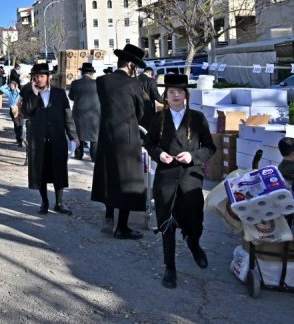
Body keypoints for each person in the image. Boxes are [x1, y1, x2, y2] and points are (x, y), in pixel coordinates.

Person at [144, 74, 216, 289]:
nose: (175, 96)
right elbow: (149, 144)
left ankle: (194, 244)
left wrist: (193, 157)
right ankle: (170, 267)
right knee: (167, 222)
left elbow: (210, 147)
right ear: (165, 96)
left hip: (190, 178)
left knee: (194, 220)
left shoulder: (197, 118)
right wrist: (159, 154)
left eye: (180, 92)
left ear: (186, 95)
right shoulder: (159, 118)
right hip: (166, 178)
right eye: (171, 92)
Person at [91, 43, 147, 239]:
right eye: (137, 66)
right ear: (131, 65)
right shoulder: (134, 84)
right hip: (128, 137)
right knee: (128, 182)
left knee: (109, 176)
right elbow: (140, 111)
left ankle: (108, 216)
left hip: (106, 135)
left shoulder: (102, 81)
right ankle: (122, 227)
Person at [19, 63, 79, 215]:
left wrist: (74, 136)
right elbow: (26, 112)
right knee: (41, 171)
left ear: (48, 78)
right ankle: (44, 202)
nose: (39, 79)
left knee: (59, 170)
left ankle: (59, 203)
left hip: (57, 138)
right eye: (36, 76)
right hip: (37, 140)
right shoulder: (28, 91)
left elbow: (68, 116)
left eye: (42, 76)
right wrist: (33, 94)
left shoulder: (59, 93)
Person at [68, 62, 100, 161]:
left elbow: (71, 97)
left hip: (79, 113)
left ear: (82, 73)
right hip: (94, 113)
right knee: (94, 137)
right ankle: (94, 157)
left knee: (79, 134)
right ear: (92, 73)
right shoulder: (97, 83)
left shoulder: (75, 83)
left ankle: (79, 155)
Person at [0, 80, 23, 148]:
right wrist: (7, 85)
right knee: (16, 124)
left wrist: (17, 88)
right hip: (13, 110)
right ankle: (19, 140)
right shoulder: (9, 92)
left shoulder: (19, 92)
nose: (12, 87)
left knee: (21, 125)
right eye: (11, 86)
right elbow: (1, 88)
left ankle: (20, 139)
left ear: (16, 86)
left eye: (13, 86)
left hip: (20, 109)